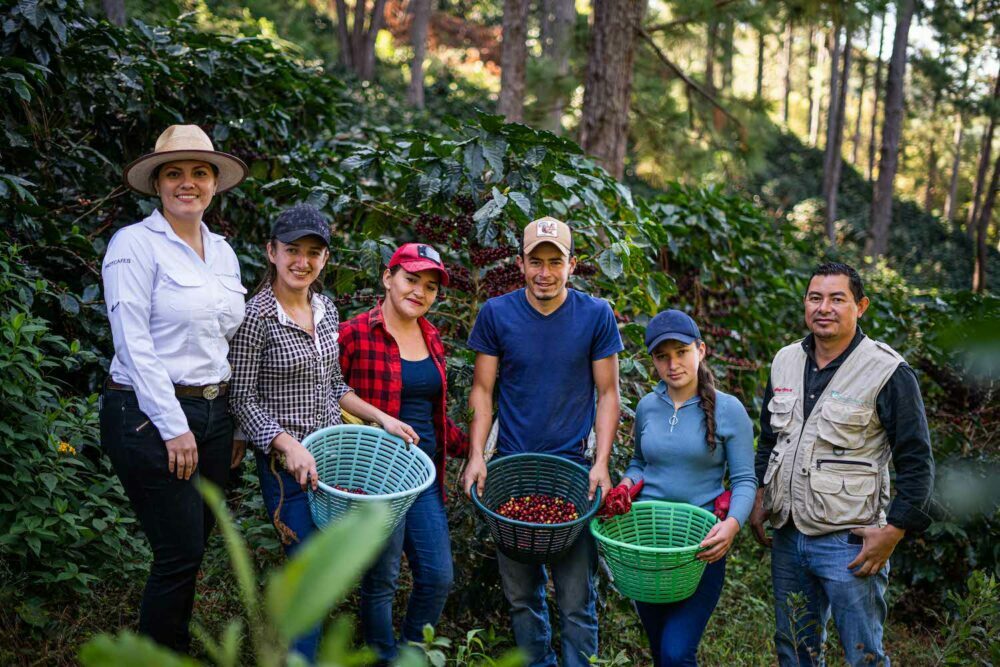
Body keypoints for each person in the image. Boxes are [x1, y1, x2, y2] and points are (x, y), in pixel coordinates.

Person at [228, 204, 419, 660]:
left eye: (313, 253)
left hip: (331, 464)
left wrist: (382, 418)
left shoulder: (326, 309)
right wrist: (287, 444)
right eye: (292, 250)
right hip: (285, 469)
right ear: (271, 252)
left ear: (325, 259)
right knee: (310, 575)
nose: (302, 262)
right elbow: (242, 399)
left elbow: (335, 386)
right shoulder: (256, 317)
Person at [100, 124, 249, 653]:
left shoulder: (223, 253)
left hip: (214, 416)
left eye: (200, 172)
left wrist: (232, 422)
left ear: (214, 183)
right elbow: (133, 343)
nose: (188, 182)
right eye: (175, 173)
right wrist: (172, 426)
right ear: (157, 183)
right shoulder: (134, 245)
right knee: (178, 552)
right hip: (147, 414)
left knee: (193, 550)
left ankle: (172, 652)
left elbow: (223, 342)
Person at [748, 262, 934, 666]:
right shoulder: (784, 361)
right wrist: (760, 494)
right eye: (815, 298)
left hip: (850, 541)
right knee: (794, 650)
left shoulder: (887, 371)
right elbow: (770, 438)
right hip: (788, 535)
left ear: (860, 306)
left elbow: (917, 460)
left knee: (863, 656)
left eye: (837, 299)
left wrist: (894, 531)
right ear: (805, 303)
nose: (824, 308)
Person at [461, 217, 624, 667]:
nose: (545, 273)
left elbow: (609, 394)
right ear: (520, 263)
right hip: (512, 471)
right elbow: (482, 390)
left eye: (555, 262)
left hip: (573, 474)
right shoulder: (497, 313)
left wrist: (601, 462)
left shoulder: (595, 315)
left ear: (572, 265)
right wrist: (476, 456)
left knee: (576, 599)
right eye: (536, 262)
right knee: (521, 596)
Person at [601, 309, 757, 666]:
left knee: (676, 652)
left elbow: (744, 479)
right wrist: (624, 486)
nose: (673, 365)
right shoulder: (647, 407)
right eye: (662, 356)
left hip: (698, 548)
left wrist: (732, 525)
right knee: (660, 649)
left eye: (682, 352)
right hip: (648, 545)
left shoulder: (729, 410)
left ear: (700, 350)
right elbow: (640, 463)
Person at [338, 243, 469, 663]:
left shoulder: (431, 337)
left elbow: (432, 415)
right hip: (378, 478)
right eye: (411, 279)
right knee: (383, 579)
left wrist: (474, 448)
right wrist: (378, 421)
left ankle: (409, 656)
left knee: (437, 576)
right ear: (387, 278)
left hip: (423, 477)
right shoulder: (354, 333)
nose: (419, 292)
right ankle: (380, 656)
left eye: (430, 286)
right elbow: (330, 392)